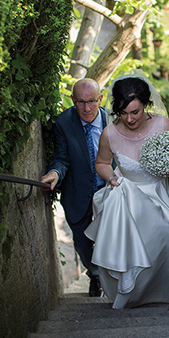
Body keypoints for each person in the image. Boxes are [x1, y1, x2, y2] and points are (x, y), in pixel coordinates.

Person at [85, 75, 169, 309]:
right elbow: (101, 163)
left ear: (146, 105)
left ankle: (163, 290)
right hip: (127, 195)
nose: (129, 119)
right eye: (123, 112)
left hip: (161, 194)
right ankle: (135, 294)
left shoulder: (163, 126)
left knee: (168, 242)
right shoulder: (109, 134)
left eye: (135, 112)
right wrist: (111, 178)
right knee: (131, 248)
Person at [41, 78, 109, 297]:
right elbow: (61, 158)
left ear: (100, 98)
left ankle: (118, 281)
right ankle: (95, 276)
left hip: (110, 193)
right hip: (77, 194)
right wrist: (54, 173)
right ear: (72, 100)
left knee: (114, 238)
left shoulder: (114, 121)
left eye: (91, 101)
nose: (86, 108)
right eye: (80, 102)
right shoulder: (63, 123)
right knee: (83, 243)